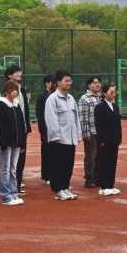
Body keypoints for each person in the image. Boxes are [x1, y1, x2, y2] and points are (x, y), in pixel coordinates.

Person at [44, 70, 81, 201]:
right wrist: (55, 136)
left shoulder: (71, 99)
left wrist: (78, 134)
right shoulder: (52, 99)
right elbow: (51, 119)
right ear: (58, 82)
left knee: (68, 165)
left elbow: (76, 118)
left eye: (70, 80)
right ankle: (59, 189)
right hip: (59, 139)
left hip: (71, 138)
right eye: (66, 81)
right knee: (58, 165)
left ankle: (66, 187)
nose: (69, 83)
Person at [0, 80, 27, 206]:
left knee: (13, 169)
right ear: (7, 90)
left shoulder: (16, 104)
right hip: (6, 143)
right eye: (13, 90)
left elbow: (21, 124)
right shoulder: (0, 104)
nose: (15, 93)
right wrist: (2, 143)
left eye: (16, 91)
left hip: (17, 143)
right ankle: (6, 196)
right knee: (5, 169)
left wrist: (22, 143)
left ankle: (14, 193)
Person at [4, 64, 31, 195]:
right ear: (9, 75)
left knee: (20, 159)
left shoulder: (22, 90)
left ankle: (17, 185)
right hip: (12, 130)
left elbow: (25, 110)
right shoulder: (5, 92)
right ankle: (9, 187)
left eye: (20, 71)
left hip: (22, 129)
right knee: (10, 161)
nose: (19, 74)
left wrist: (26, 128)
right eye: (16, 72)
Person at [93, 83, 122, 196]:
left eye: (115, 92)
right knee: (104, 163)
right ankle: (104, 186)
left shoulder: (115, 106)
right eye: (111, 92)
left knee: (112, 163)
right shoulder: (100, 107)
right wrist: (100, 140)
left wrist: (119, 138)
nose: (113, 94)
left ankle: (111, 185)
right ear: (104, 93)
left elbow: (118, 124)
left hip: (114, 140)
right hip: (105, 140)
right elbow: (98, 125)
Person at [78, 75, 102, 189]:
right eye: (95, 83)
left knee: (100, 156)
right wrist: (85, 132)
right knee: (90, 156)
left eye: (99, 82)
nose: (97, 84)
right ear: (89, 85)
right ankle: (89, 178)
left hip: (100, 132)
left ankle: (97, 177)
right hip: (91, 132)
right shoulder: (85, 99)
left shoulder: (101, 97)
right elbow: (83, 117)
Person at [35, 74, 55, 184]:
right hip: (46, 131)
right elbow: (40, 116)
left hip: (57, 131)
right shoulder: (42, 97)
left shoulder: (57, 96)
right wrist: (43, 132)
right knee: (47, 153)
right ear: (47, 84)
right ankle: (47, 176)